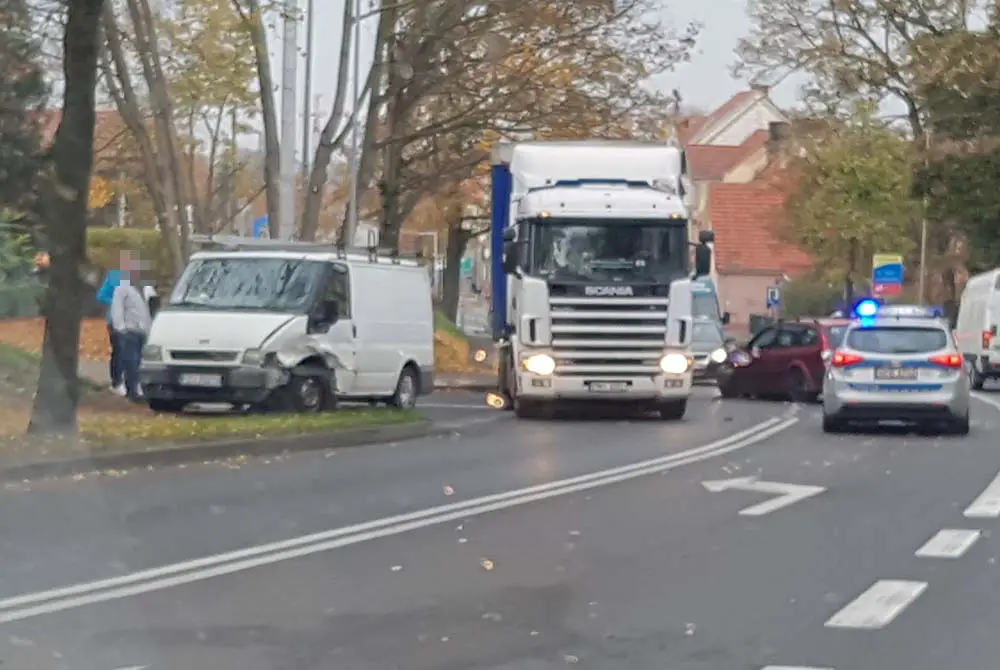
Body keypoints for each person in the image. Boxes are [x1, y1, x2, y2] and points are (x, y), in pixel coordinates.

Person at [109, 270, 152, 402]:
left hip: (143, 331)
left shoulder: (145, 289)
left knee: (139, 362)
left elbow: (147, 310)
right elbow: (117, 308)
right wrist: (121, 328)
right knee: (131, 361)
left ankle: (139, 389)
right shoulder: (122, 288)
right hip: (129, 330)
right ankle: (132, 391)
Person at [97, 251, 129, 395]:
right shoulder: (115, 276)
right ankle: (116, 383)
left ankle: (129, 380)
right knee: (119, 350)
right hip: (115, 320)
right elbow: (101, 296)